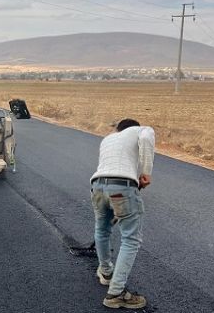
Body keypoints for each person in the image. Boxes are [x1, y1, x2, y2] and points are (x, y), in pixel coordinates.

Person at [90, 118, 155, 309]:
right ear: (133, 127)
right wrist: (145, 172)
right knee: (131, 239)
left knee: (101, 230)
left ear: (118, 129)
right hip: (122, 187)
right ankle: (116, 293)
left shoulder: (108, 138)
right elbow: (147, 138)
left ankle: (106, 272)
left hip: (97, 186)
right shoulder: (141, 130)